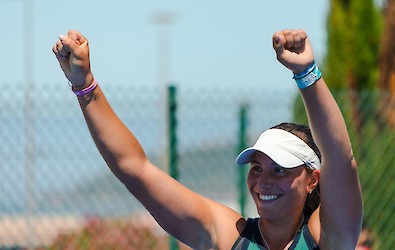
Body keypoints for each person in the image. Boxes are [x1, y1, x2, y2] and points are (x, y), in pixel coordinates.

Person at [52, 29, 363, 249]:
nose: (263, 181)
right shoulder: (229, 237)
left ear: (312, 181)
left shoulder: (330, 238)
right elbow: (135, 169)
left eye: (279, 169)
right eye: (256, 168)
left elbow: (340, 159)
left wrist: (306, 73)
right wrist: (84, 85)